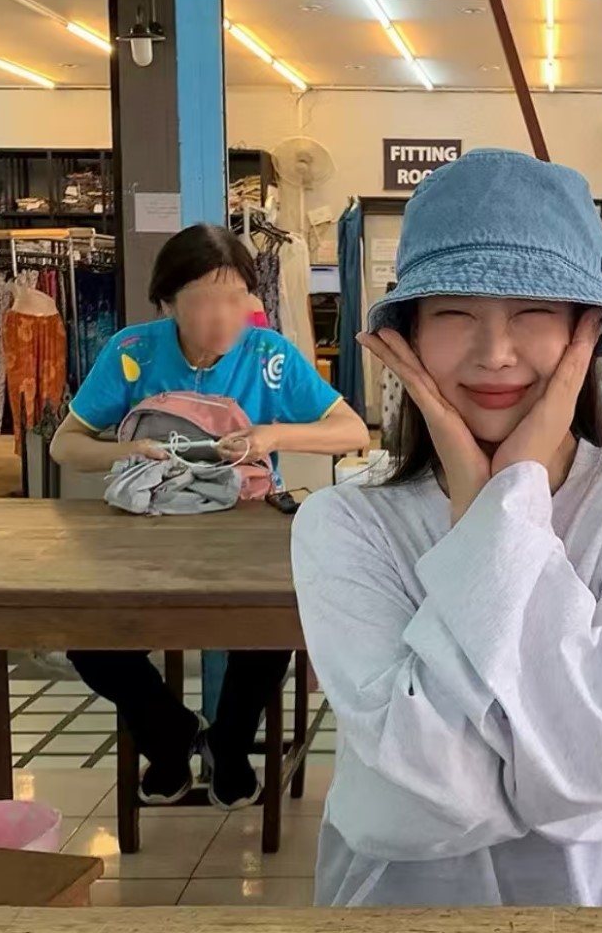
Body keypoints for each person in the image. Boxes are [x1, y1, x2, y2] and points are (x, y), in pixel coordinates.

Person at [291, 149, 602, 907]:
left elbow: (595, 771)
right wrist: (502, 507)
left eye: (532, 312)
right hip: (400, 924)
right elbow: (435, 796)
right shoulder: (344, 522)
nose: (495, 353)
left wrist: (495, 508)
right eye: (454, 313)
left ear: (583, 332)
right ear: (409, 335)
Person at [51, 223, 369, 809]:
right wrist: (128, 450)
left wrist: (273, 434)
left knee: (270, 629)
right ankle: (169, 735)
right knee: (88, 638)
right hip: (147, 534)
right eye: (201, 301)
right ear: (168, 302)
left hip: (245, 534)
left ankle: (228, 742)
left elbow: (351, 430)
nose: (222, 318)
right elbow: (64, 445)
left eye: (235, 298)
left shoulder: (268, 355)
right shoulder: (132, 351)